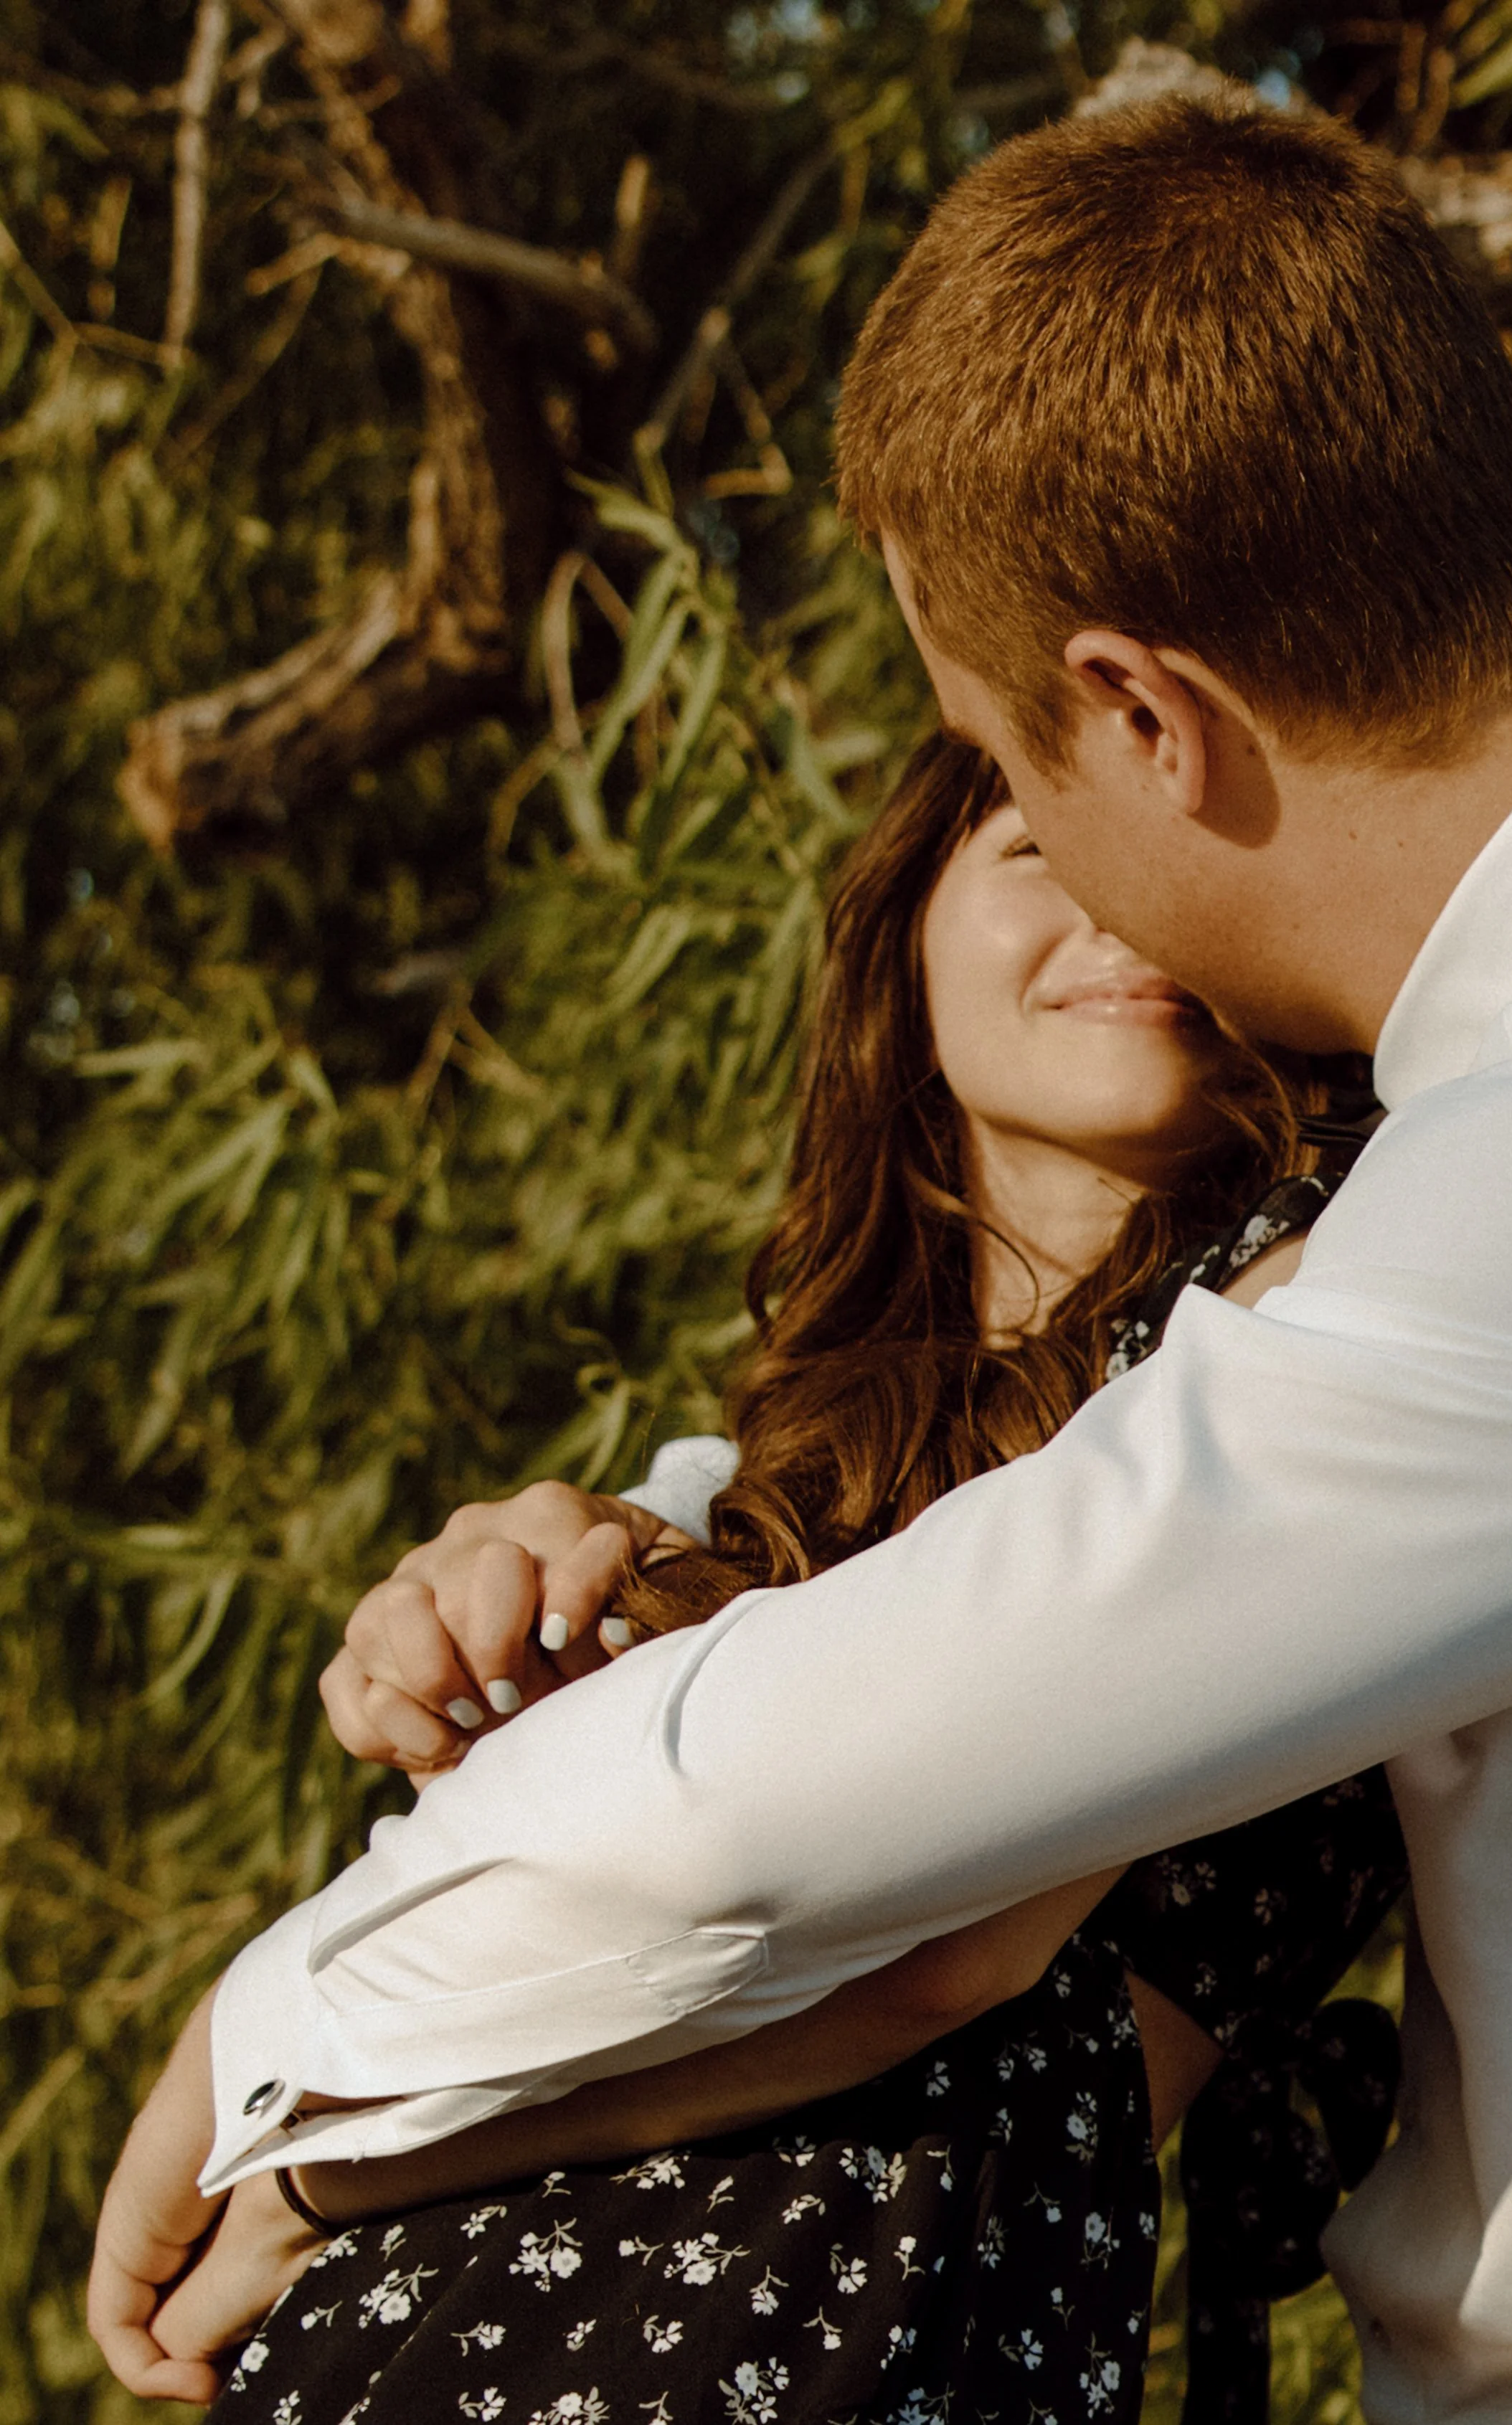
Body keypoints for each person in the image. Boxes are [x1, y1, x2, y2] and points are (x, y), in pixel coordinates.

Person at [93, 87, 1512, 2423]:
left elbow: (841, 1790)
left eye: (1013, 755)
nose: (1072, 890)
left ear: (1140, 716)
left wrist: (288, 2031)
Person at [131, 735, 1404, 2423]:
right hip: (450, 2320)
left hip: (814, 2303)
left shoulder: (1315, 1322)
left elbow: (932, 1965)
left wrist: (321, 2165)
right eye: (1037, 849)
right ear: (904, 938)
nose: (1117, 902)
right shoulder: (749, 1483)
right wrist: (475, 1662)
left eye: (1169, 856)